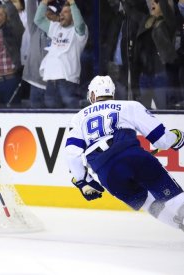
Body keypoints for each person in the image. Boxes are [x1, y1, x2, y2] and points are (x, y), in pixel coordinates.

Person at [65, 75, 184, 231]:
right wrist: (178, 137)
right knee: (172, 197)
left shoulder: (79, 117)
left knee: (148, 203)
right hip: (133, 156)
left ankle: (179, 225)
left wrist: (83, 182)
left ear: (93, 95)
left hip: (107, 173)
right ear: (112, 93)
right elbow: (161, 140)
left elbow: (71, 153)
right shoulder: (129, 106)